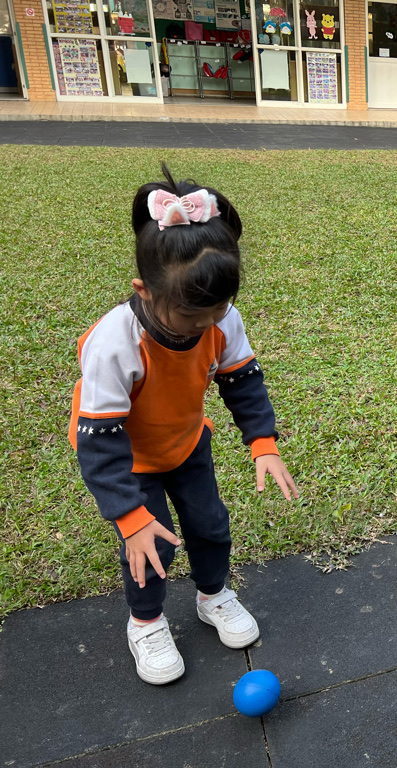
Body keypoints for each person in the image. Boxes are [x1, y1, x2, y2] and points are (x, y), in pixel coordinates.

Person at [69, 165, 299, 683]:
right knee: (150, 542)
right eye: (190, 317)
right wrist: (129, 517)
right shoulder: (115, 343)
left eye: (216, 312)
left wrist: (263, 443)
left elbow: (242, 380)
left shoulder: (221, 318)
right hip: (128, 456)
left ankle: (213, 595)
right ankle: (146, 622)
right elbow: (98, 440)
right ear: (145, 292)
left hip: (187, 442)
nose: (205, 326)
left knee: (210, 524)